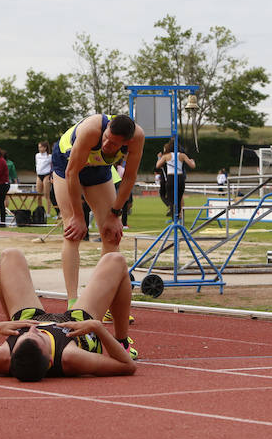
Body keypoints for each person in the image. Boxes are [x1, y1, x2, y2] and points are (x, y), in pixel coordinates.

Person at [0, 248, 136, 381]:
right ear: (51, 359)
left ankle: (15, 324)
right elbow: (127, 366)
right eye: (40, 338)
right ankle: (122, 342)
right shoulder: (71, 358)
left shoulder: (3, 357)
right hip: (78, 324)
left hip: (28, 318)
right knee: (116, 260)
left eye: (26, 336)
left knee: (9, 256)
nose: (35, 331)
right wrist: (98, 328)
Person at [52, 114, 145, 305]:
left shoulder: (138, 138)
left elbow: (129, 178)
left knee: (112, 233)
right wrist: (78, 216)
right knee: (72, 231)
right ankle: (73, 302)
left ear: (127, 142)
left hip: (99, 168)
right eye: (106, 138)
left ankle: (102, 301)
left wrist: (115, 214)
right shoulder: (91, 130)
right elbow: (72, 173)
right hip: (67, 165)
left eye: (113, 144)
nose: (106, 145)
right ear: (107, 127)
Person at [155, 140, 196, 221]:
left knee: (171, 199)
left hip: (171, 178)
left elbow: (158, 165)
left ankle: (175, 219)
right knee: (179, 198)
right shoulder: (182, 155)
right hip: (180, 178)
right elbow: (192, 166)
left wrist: (159, 158)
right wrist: (193, 161)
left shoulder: (166, 156)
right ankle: (178, 217)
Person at [35, 140, 53, 216]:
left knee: (46, 195)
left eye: (41, 147)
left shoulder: (49, 156)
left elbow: (52, 166)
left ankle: (48, 212)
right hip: (39, 175)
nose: (39, 149)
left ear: (45, 148)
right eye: (39, 147)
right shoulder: (37, 155)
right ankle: (40, 211)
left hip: (46, 175)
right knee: (38, 195)